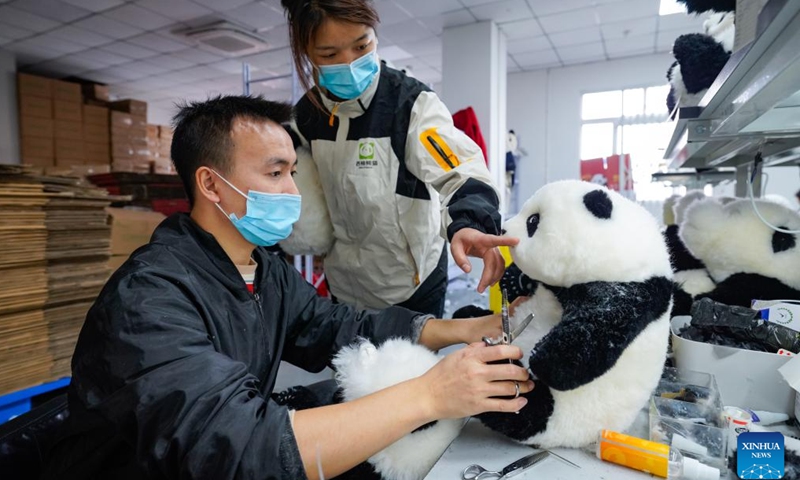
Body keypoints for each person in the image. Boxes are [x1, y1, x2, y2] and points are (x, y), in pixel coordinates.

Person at [40, 96, 532, 480]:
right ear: (211, 185)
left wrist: (461, 330)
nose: (293, 193)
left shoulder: (262, 268)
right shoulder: (149, 299)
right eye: (276, 173)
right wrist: (430, 396)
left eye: (292, 173)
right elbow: (240, 452)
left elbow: (337, 326)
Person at [282, 0, 517, 316]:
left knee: (414, 367)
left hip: (414, 284)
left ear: (374, 35)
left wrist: (469, 220)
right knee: (353, 365)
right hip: (347, 288)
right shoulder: (306, 117)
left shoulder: (410, 105)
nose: (350, 63)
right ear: (307, 52)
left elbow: (459, 168)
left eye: (361, 45)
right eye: (329, 55)